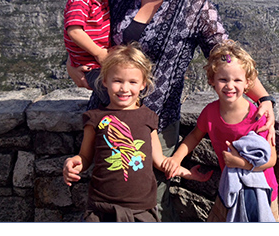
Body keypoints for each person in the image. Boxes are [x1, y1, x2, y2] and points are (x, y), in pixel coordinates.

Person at [67, 0, 277, 221]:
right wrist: (72, 64)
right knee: (105, 195)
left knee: (154, 200)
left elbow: (226, 56)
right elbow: (86, 30)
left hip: (157, 123)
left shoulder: (195, 6)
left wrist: (264, 98)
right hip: (106, 115)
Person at [62, 43, 211, 222]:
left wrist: (187, 173)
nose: (125, 88)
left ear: (143, 85)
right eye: (117, 81)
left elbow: (159, 161)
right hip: (102, 209)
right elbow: (85, 157)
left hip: (141, 210)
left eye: (132, 82)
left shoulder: (148, 117)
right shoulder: (95, 118)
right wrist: (75, 162)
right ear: (104, 81)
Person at [162, 40, 279, 222]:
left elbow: (271, 159)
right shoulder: (210, 112)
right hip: (230, 188)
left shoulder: (257, 117)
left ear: (248, 82)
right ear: (212, 81)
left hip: (262, 191)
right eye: (223, 79)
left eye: (237, 80)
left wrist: (240, 163)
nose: (230, 86)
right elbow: (194, 135)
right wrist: (176, 159)